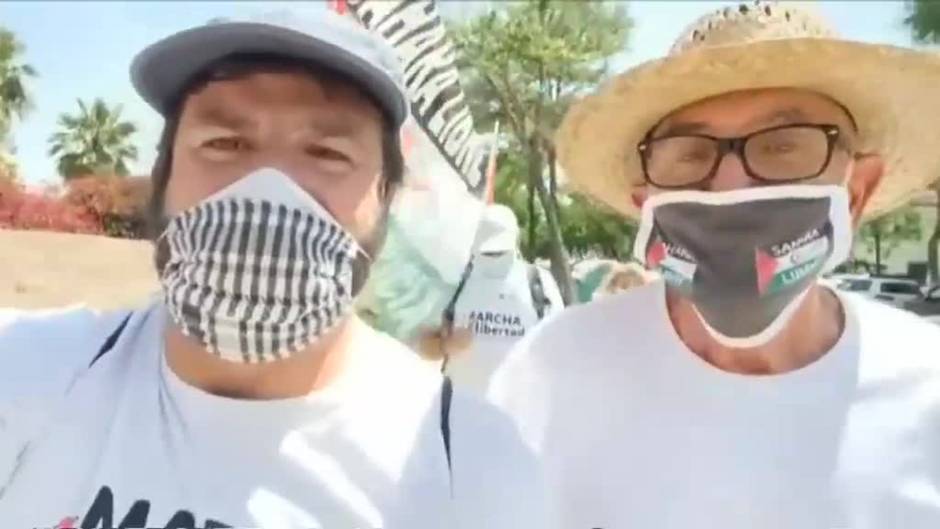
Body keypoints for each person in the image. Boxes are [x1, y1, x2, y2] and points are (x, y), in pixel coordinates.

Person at [0, 12, 545, 529]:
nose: (268, 187)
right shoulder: (29, 374)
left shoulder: (472, 467)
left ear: (387, 198)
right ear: (163, 175)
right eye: (225, 143)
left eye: (327, 152)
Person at [489, 2, 940, 528]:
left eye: (783, 146)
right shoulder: (550, 373)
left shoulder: (929, 391)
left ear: (857, 192)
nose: (731, 186)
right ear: (646, 204)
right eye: (691, 154)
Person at [434, 204, 563, 393]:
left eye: (500, 252)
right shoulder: (455, 280)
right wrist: (445, 345)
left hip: (521, 408)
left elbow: (559, 344)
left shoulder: (538, 281)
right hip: (461, 410)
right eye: (488, 253)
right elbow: (422, 339)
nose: (493, 258)